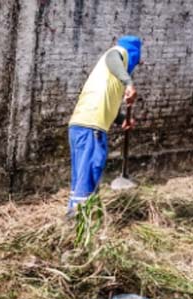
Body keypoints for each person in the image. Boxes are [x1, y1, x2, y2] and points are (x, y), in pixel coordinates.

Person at [67, 35, 143, 217]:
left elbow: (106, 103)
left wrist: (122, 119)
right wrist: (129, 83)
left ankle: (77, 214)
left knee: (82, 176)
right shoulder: (117, 54)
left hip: (80, 124)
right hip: (91, 127)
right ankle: (80, 219)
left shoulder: (108, 77)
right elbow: (113, 57)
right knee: (89, 172)